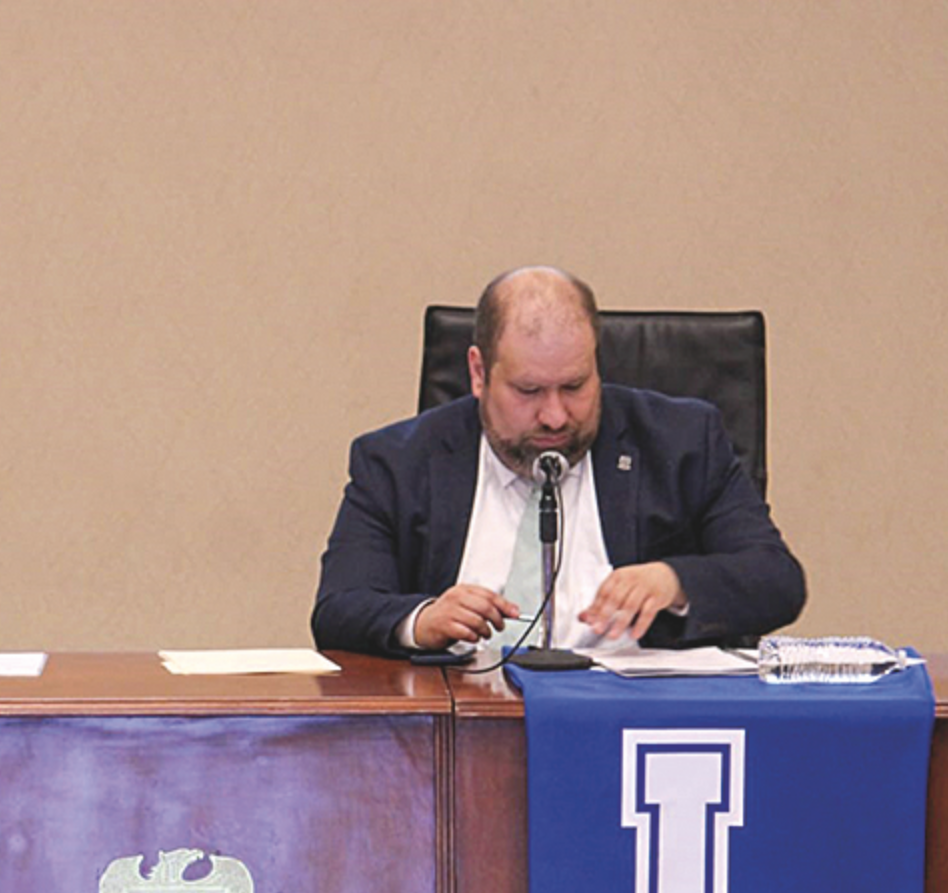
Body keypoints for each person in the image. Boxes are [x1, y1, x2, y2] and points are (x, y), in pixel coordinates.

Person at [312, 266, 803, 657]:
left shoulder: (681, 443)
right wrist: (421, 621)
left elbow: (777, 581)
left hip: (631, 721)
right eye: (528, 391)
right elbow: (339, 608)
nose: (555, 416)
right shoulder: (397, 462)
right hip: (465, 719)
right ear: (479, 373)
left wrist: (674, 581)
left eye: (574, 386)